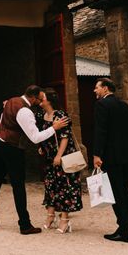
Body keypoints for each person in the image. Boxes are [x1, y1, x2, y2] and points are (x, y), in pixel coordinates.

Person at [0, 85, 69, 234]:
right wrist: (54, 127)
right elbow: (35, 138)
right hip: (12, 148)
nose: (40, 102)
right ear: (32, 97)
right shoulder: (25, 111)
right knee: (18, 185)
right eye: (39, 99)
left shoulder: (10, 101)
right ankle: (25, 224)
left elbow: (3, 121)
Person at [93, 78, 128, 243]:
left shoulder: (102, 105)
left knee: (116, 192)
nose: (95, 91)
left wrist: (97, 154)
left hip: (112, 157)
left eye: (97, 88)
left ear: (105, 89)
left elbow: (100, 131)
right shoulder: (124, 105)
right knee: (125, 189)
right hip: (126, 156)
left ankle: (124, 231)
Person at [36, 88, 83, 233]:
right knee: (50, 186)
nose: (40, 100)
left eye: (42, 97)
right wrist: (41, 146)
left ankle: (65, 219)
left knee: (65, 186)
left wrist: (59, 156)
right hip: (49, 156)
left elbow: (65, 137)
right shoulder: (41, 115)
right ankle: (50, 216)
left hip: (64, 156)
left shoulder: (61, 115)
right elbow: (41, 133)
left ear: (49, 100)